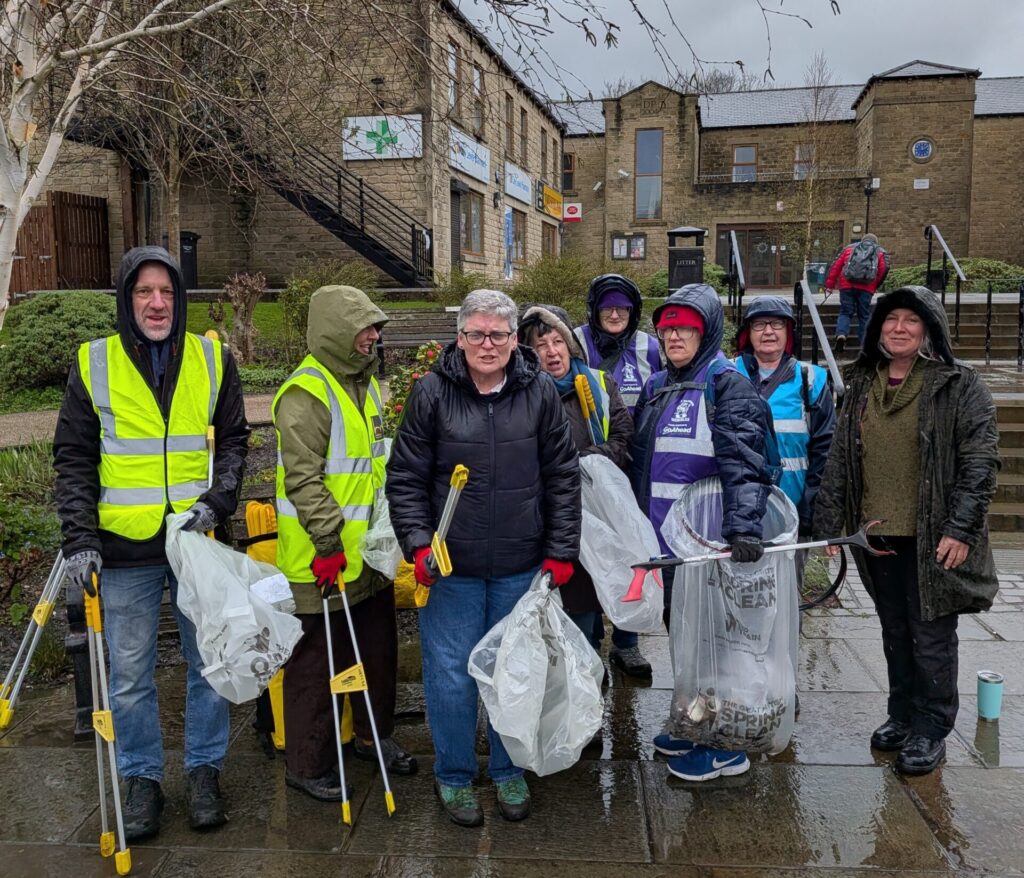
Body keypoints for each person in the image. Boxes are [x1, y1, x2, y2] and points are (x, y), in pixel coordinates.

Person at [53, 246, 250, 841]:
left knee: (208, 663)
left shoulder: (213, 358)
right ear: (126, 297)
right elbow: (74, 458)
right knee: (131, 673)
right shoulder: (94, 363)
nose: (157, 303)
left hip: (195, 545)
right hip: (123, 551)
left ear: (180, 298)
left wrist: (217, 502)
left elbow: (237, 441)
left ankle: (204, 771)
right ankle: (141, 780)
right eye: (144, 292)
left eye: (166, 292)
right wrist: (80, 539)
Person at [387, 289, 579, 827]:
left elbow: (563, 476)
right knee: (450, 675)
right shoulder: (432, 393)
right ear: (460, 338)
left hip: (521, 564)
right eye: (476, 334)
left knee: (511, 671)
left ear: (515, 339)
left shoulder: (539, 391)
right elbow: (404, 478)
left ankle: (507, 767)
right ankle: (453, 774)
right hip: (451, 568)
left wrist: (560, 551)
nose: (487, 344)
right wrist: (420, 544)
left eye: (498, 334)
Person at [813, 286, 1000, 776]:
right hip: (875, 537)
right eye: (891, 319)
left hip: (933, 537)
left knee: (931, 636)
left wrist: (961, 529)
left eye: (911, 321)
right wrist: (830, 524)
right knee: (894, 631)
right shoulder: (860, 383)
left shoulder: (957, 385)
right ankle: (901, 716)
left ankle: (931, 729)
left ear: (928, 330)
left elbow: (980, 463)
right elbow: (839, 460)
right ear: (877, 330)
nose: (899, 328)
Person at [273, 285, 416, 803]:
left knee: (378, 653)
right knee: (316, 662)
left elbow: (376, 465)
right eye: (365, 328)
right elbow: (304, 478)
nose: (375, 336)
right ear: (336, 329)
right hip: (323, 559)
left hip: (370, 556)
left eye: (377, 328)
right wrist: (329, 541)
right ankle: (307, 762)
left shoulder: (366, 386)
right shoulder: (306, 394)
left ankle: (374, 737)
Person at [630, 283, 773, 783]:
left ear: (707, 329)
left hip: (710, 547)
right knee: (686, 642)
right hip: (666, 546)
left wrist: (743, 530)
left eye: (686, 326)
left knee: (718, 646)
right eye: (667, 326)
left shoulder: (726, 383)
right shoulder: (657, 386)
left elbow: (746, 461)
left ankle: (726, 745)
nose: (673, 335)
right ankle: (696, 722)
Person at [517, 303, 633, 647]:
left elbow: (624, 439)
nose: (552, 352)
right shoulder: (521, 395)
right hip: (543, 519)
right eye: (541, 346)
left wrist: (583, 462)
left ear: (571, 344)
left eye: (558, 341)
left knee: (586, 604)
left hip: (593, 515)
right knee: (554, 607)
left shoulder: (599, 385)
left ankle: (589, 670)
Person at [573, 273, 662, 677]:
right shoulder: (577, 340)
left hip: (633, 463)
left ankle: (627, 641)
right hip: (588, 467)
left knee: (632, 550)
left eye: (622, 308)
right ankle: (590, 642)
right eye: (607, 307)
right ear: (594, 309)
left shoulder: (650, 346)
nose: (614, 314)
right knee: (590, 556)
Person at [734, 296, 835, 539]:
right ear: (748, 332)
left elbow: (825, 449)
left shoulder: (812, 379)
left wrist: (811, 511)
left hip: (793, 513)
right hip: (737, 513)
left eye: (777, 324)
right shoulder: (727, 373)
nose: (768, 331)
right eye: (759, 324)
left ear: (788, 332)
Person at [823, 233, 888, 351]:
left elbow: (836, 266)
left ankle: (841, 334)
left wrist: (829, 285)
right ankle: (864, 343)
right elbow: (883, 270)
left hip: (846, 285)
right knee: (864, 315)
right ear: (876, 242)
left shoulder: (849, 248)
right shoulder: (880, 252)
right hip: (867, 287)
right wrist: (874, 285)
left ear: (862, 240)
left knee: (845, 312)